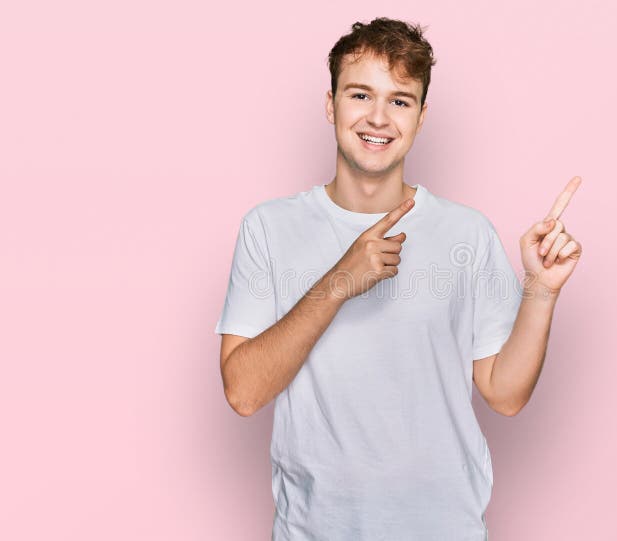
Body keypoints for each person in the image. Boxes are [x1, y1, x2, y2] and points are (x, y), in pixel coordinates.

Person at [214, 17, 582, 541]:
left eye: (400, 101)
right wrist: (341, 279)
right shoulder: (268, 229)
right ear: (331, 104)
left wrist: (542, 290)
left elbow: (505, 394)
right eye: (360, 94)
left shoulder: (467, 232)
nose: (379, 118)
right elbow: (244, 393)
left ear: (421, 117)